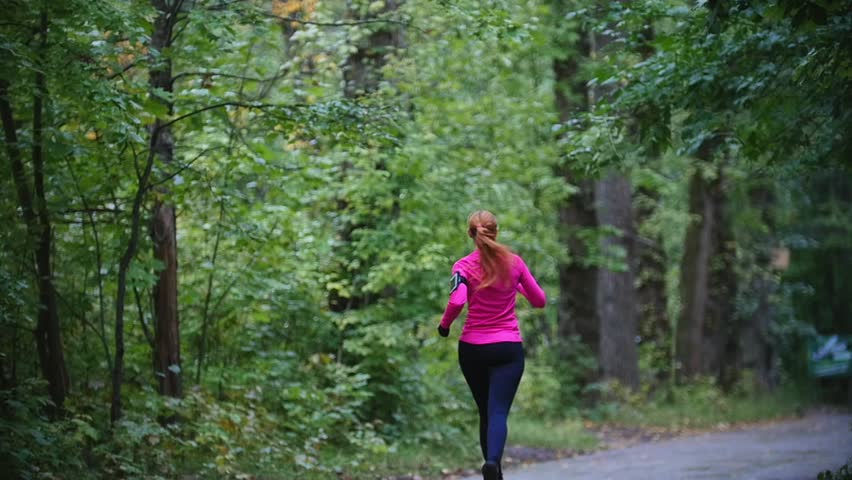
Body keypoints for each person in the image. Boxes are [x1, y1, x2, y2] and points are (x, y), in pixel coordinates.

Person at [437, 210, 546, 480]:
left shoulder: (462, 266)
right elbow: (540, 300)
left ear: (471, 234)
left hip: (473, 349)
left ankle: (492, 468)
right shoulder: (515, 263)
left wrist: (445, 325)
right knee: (498, 410)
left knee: (485, 410)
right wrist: (517, 286)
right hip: (507, 348)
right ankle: (493, 463)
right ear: (496, 232)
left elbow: (457, 301)